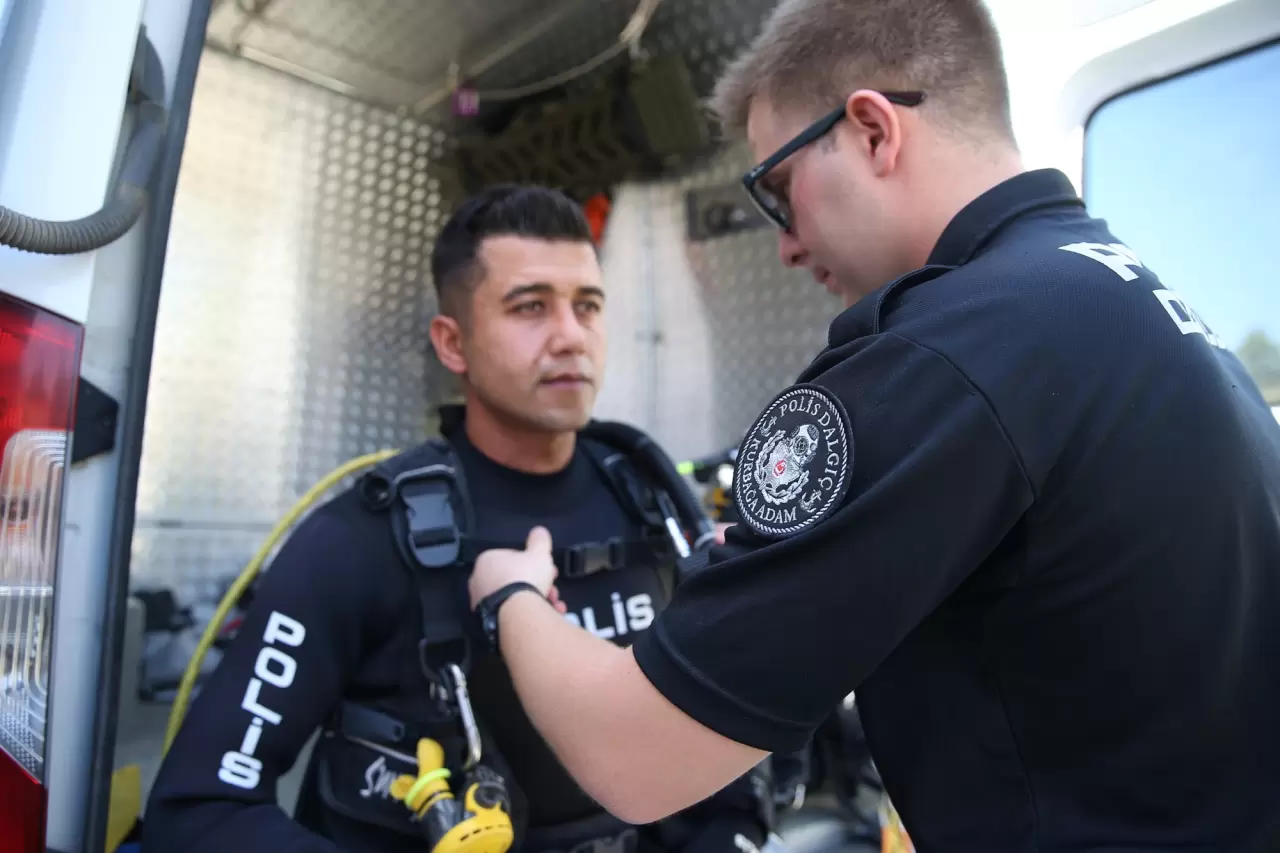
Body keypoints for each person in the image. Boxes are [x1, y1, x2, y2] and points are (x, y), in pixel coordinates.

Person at [458, 1, 1280, 851]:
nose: (785, 245)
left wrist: (510, 593)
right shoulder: (1134, 304)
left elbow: (631, 752)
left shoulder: (949, 350)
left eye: (777, 192)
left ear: (873, 130)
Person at [142, 185, 782, 853]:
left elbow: (730, 777)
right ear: (454, 343)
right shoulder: (362, 540)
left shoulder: (650, 503)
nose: (571, 336)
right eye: (530, 306)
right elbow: (199, 809)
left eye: (587, 305)